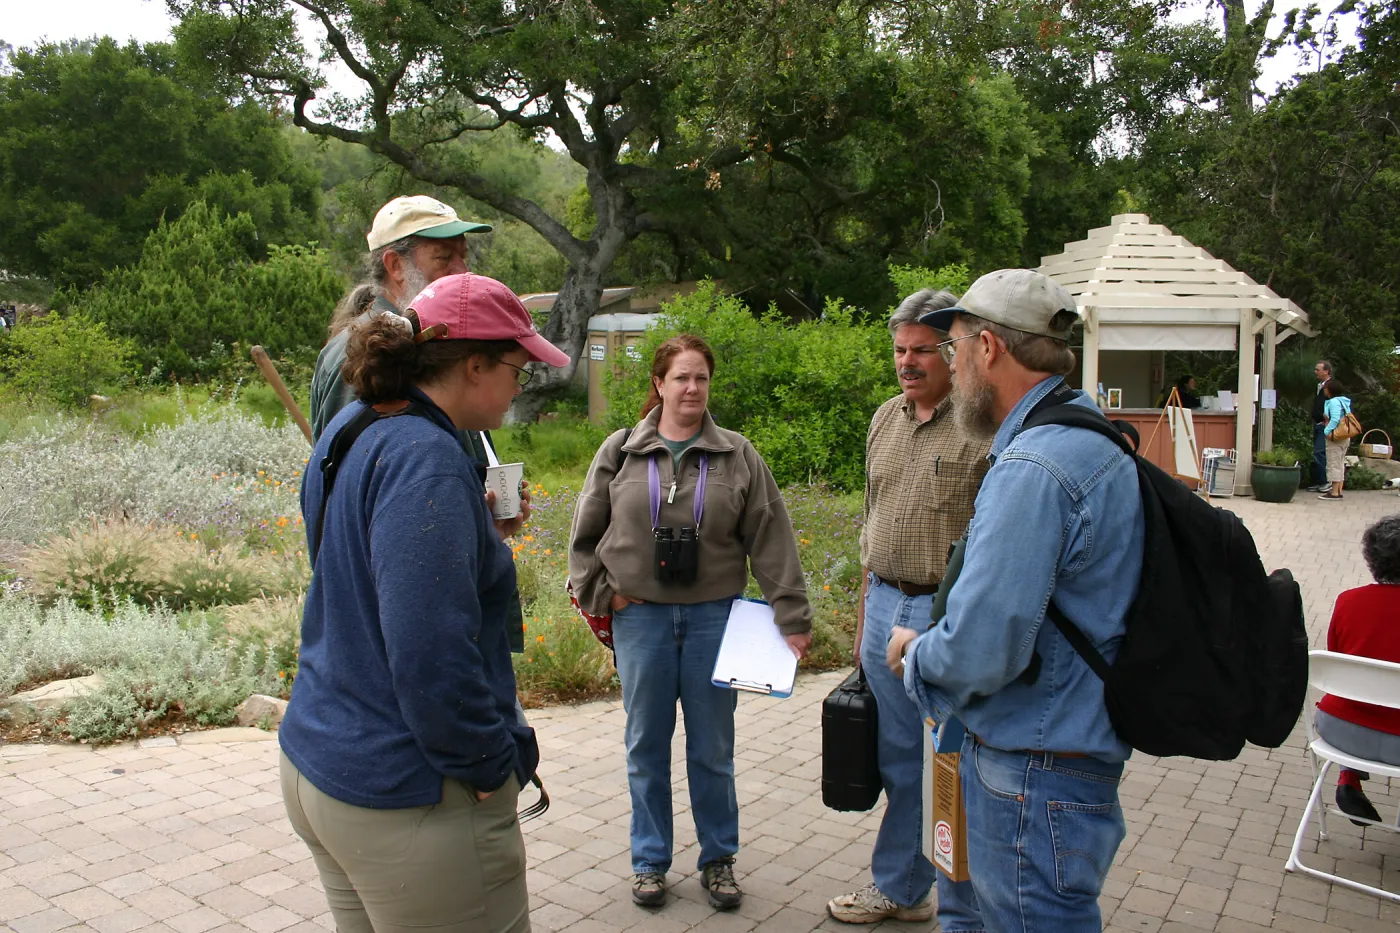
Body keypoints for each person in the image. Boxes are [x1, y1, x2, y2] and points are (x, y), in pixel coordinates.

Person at [279, 273, 570, 933]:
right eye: (517, 369)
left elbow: (353, 562)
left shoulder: (358, 423)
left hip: (322, 760)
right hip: (406, 792)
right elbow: (429, 655)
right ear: (474, 365)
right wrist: (487, 763)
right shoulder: (427, 459)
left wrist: (475, 532)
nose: (519, 387)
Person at [888, 269, 1144, 933]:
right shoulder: (1090, 437)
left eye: (954, 348)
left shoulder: (1035, 467)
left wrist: (916, 654)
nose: (952, 366)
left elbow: (983, 646)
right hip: (1052, 758)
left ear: (988, 347)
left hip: (1033, 771)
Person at [568, 334, 813, 911]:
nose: (692, 388)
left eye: (701, 377)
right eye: (680, 377)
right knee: (645, 747)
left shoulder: (736, 454)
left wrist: (792, 614)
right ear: (659, 383)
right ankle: (650, 862)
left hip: (713, 622)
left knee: (712, 750)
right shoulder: (622, 451)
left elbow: (771, 538)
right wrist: (603, 595)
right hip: (641, 622)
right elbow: (585, 533)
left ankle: (718, 860)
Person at [826, 291, 990, 927]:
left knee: (948, 763)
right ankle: (905, 887)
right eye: (899, 350)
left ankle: (959, 900)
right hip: (883, 606)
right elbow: (871, 522)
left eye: (922, 350)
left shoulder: (981, 426)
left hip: (942, 617)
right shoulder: (884, 419)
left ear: (953, 352)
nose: (907, 362)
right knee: (899, 759)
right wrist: (865, 615)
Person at [309, 195, 492, 442]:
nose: (463, 271)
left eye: (462, 256)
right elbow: (358, 461)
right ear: (395, 265)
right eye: (444, 257)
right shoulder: (365, 352)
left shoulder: (425, 340)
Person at [1316, 514, 1400, 825]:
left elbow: (1339, 670)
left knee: (1356, 693)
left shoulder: (1348, 601)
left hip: (1340, 731)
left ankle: (1348, 778)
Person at [1320, 378, 1352, 501]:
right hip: (1345, 435)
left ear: (1329, 390)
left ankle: (1334, 493)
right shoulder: (1344, 401)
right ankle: (1338, 490)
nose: (1324, 390)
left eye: (1325, 388)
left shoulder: (1333, 402)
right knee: (1340, 463)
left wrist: (1326, 431)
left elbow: (1335, 419)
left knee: (1333, 463)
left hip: (1335, 436)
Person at [1310, 360, 1333, 492]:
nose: (1315, 372)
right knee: (1317, 453)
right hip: (1318, 423)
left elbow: (1334, 404)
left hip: (1325, 424)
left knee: (1320, 452)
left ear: (1326, 371)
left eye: (1318, 370)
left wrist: (1328, 420)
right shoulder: (1320, 386)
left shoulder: (1331, 386)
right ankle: (1319, 481)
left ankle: (1326, 481)